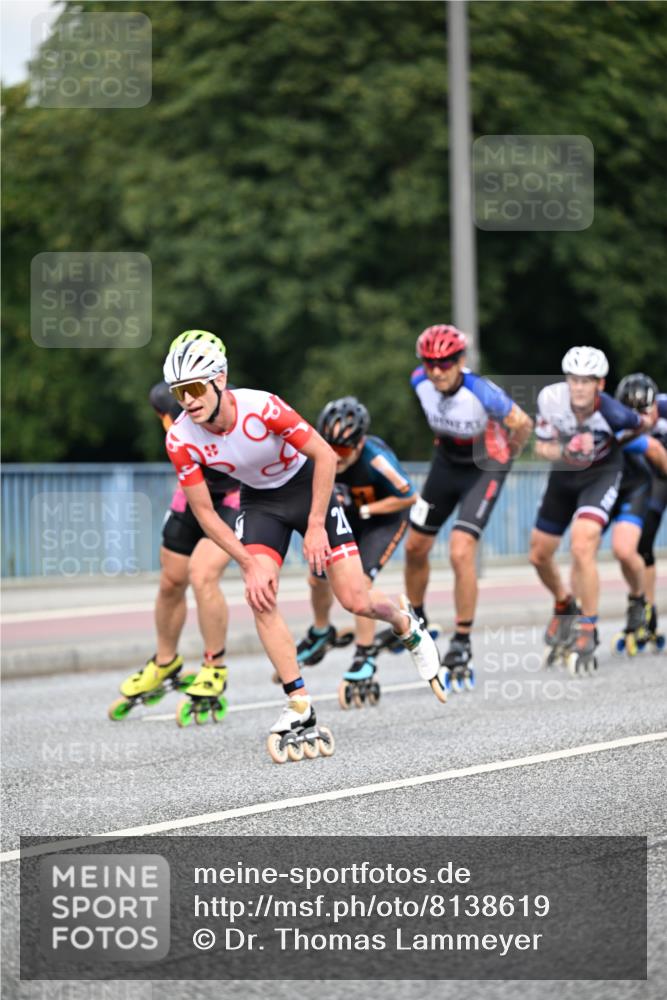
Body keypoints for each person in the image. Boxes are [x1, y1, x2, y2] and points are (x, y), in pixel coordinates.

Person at [162, 333, 445, 763]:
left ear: (220, 379)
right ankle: (299, 705)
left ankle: (404, 622)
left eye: (196, 388)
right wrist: (246, 562)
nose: (188, 400)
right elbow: (204, 514)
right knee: (259, 594)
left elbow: (326, 457)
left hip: (306, 488)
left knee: (353, 599)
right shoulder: (181, 438)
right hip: (260, 503)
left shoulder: (263, 407)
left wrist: (316, 526)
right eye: (179, 392)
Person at [108, 335, 241, 722]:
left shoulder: (234, 403)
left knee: (203, 576)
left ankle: (214, 666)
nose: (188, 397)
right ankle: (166, 662)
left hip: (234, 495)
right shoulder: (164, 400)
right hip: (192, 492)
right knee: (171, 581)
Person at [404, 324, 533, 691]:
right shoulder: (419, 381)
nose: (437, 370)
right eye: (430, 363)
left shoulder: (481, 391)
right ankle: (419, 618)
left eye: (445, 362)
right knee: (415, 547)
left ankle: (461, 639)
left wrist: (509, 452)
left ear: (460, 361)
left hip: (484, 465)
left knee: (461, 551)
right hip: (446, 462)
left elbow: (523, 422)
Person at [529, 347, 652, 673]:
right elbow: (540, 447)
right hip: (564, 474)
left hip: (601, 474)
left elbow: (640, 426)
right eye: (574, 379)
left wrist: (615, 443)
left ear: (600, 383)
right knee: (538, 554)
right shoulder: (549, 399)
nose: (579, 387)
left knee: (583, 544)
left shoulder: (614, 413)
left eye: (587, 381)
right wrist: (565, 448)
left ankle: (589, 623)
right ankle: (564, 601)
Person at [295, 396, 417, 709]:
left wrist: (368, 509)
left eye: (344, 450)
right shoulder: (318, 455)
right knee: (316, 577)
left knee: (359, 585)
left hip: (382, 520)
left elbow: (408, 497)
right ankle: (322, 630)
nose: (335, 456)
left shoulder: (376, 458)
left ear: (360, 445)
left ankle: (365, 654)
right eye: (329, 446)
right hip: (347, 518)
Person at [613, 373, 667, 653]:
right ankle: (647, 611)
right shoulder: (616, 418)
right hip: (655, 475)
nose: (641, 420)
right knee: (642, 540)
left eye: (645, 412)